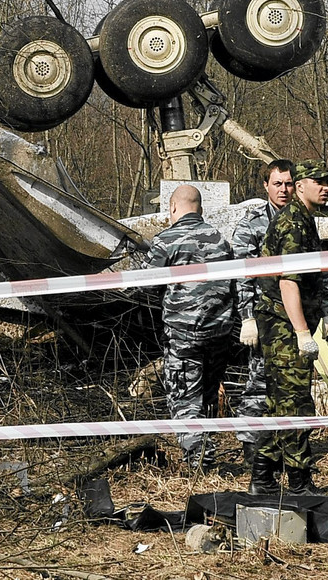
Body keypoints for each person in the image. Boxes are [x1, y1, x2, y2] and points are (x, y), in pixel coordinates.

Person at [232, 159, 328, 463]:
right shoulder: (281, 223)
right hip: (277, 321)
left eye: (288, 183)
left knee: (281, 400)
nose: (284, 189)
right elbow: (253, 275)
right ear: (266, 186)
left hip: (290, 318)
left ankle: (263, 473)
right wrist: (247, 317)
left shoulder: (305, 219)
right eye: (278, 184)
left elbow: (316, 275)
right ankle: (289, 472)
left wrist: (326, 312)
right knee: (285, 399)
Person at [138, 185, 235, 471]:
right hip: (219, 331)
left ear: (172, 209)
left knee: (184, 397)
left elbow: (145, 283)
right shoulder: (220, 240)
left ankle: (199, 463)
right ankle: (207, 453)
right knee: (206, 394)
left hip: (184, 335)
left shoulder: (166, 239)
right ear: (201, 209)